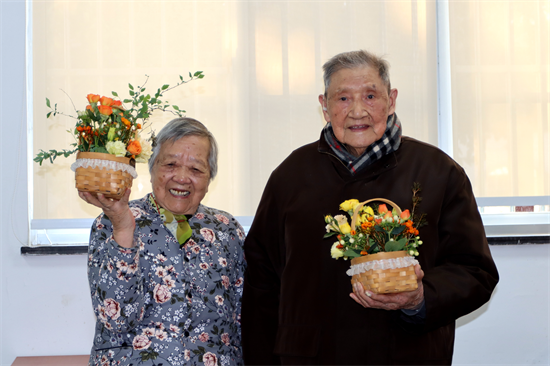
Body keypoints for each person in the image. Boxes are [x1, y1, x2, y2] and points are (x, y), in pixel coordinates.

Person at [241, 50, 499, 366]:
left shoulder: (438, 172)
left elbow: (475, 271)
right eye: (343, 99)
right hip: (311, 356)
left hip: (406, 353)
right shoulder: (291, 175)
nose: (358, 111)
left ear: (391, 100)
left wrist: (420, 297)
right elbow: (261, 283)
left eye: (370, 96)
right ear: (324, 106)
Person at [81, 118, 246, 366]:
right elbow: (115, 320)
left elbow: (243, 318)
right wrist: (123, 228)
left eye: (196, 169)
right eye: (170, 164)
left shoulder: (226, 229)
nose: (181, 177)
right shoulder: (112, 222)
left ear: (210, 177)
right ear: (152, 168)